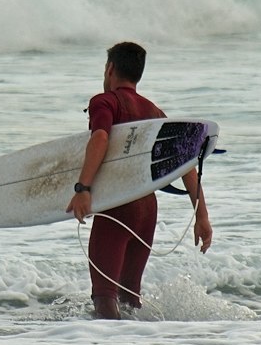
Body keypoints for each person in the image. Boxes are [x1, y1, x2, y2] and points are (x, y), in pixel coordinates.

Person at [66, 41, 213, 319]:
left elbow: (100, 138)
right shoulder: (155, 112)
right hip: (146, 210)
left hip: (118, 207)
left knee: (105, 298)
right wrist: (201, 216)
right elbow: (186, 164)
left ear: (110, 69)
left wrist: (82, 188)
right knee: (129, 297)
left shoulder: (104, 101)